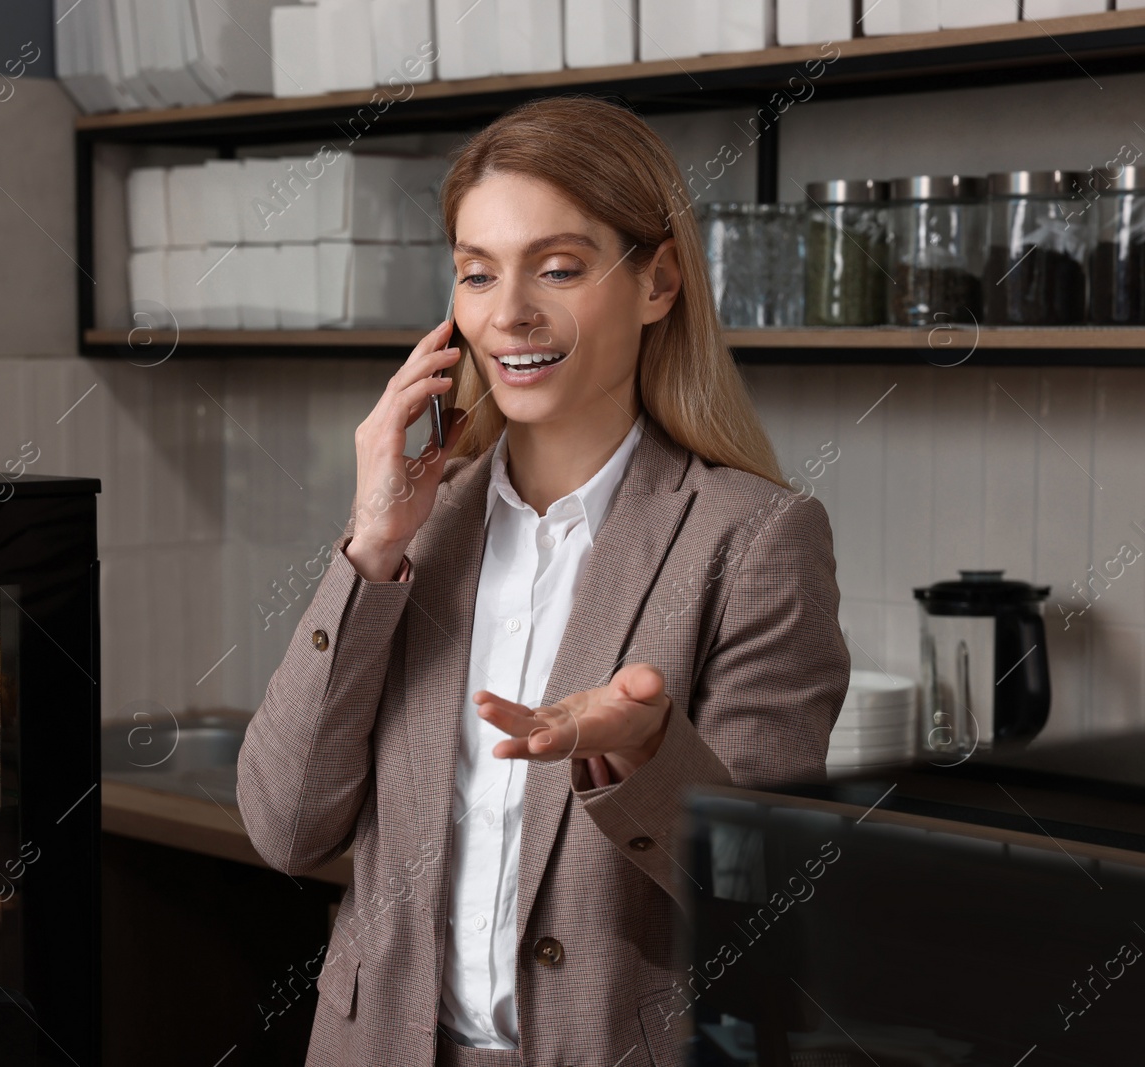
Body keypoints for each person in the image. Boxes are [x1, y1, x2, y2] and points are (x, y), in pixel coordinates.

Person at [236, 95, 849, 1067]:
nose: (508, 311)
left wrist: (651, 756)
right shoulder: (411, 531)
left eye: (557, 268)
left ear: (658, 282)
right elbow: (285, 826)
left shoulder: (757, 539)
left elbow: (762, 899)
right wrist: (369, 546)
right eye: (477, 274)